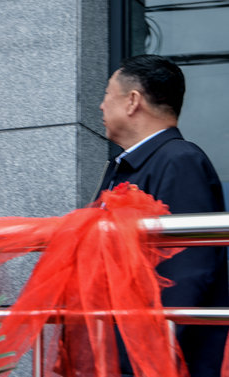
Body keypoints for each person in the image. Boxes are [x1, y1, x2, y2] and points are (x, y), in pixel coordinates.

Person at [95, 54, 228, 376]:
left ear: (132, 101)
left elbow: (188, 269)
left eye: (107, 94)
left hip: (156, 360)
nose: (101, 106)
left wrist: (147, 354)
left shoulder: (179, 160)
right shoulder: (130, 166)